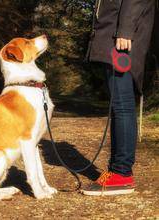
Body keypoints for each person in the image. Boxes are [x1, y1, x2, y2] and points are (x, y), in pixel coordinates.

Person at [82, 0, 155, 195]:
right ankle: (116, 170)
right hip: (114, 35)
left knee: (122, 106)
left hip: (121, 38)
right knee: (119, 106)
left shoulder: (124, 32)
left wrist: (125, 30)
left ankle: (122, 173)